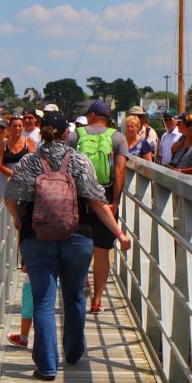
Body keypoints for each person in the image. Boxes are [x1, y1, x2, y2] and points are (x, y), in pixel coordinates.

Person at [4, 110, 131, 381]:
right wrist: (119, 234)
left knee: (43, 301)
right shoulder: (80, 161)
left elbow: (10, 198)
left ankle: (47, 367)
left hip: (36, 237)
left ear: (42, 132)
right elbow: (97, 202)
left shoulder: (28, 162)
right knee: (74, 297)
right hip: (78, 236)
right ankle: (73, 353)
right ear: (66, 134)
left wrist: (18, 222)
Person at [68, 100, 128, 314]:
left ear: (91, 116)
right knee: (102, 253)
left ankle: (81, 284)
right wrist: (115, 201)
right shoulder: (118, 138)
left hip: (79, 198)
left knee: (79, 248)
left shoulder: (76, 135)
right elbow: (120, 172)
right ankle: (97, 300)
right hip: (105, 197)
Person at [0, 115, 35, 204]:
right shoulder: (4, 144)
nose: (17, 128)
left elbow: (34, 162)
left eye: (20, 126)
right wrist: (14, 174)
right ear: (9, 127)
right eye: (14, 126)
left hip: (25, 180)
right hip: (7, 180)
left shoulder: (28, 141)